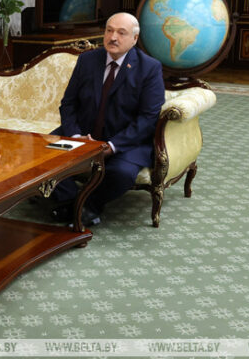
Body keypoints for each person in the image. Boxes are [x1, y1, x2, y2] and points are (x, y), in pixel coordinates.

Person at [50, 12, 165, 226]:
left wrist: (112, 146)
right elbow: (68, 104)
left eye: (121, 33)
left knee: (121, 174)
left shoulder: (149, 68)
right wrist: (75, 136)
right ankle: (73, 203)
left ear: (134, 38)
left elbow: (148, 118)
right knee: (44, 155)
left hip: (125, 142)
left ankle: (90, 205)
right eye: (109, 30)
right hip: (83, 135)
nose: (113, 37)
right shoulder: (87, 60)